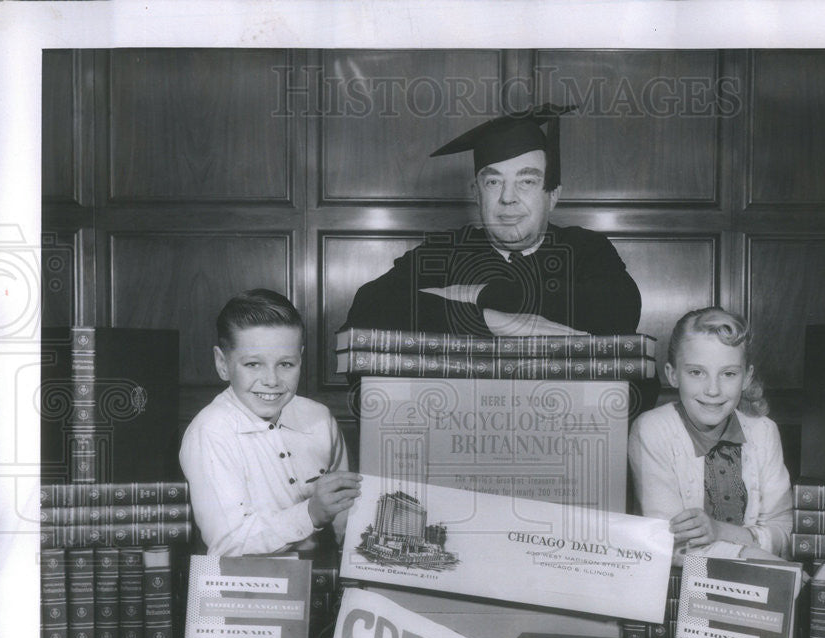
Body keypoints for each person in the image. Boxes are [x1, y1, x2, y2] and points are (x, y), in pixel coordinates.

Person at [343, 104, 642, 339]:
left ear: (552, 195)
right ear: (476, 192)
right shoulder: (447, 250)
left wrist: (477, 294)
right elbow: (369, 307)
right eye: (493, 183)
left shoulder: (585, 248)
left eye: (526, 181)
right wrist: (491, 320)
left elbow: (619, 308)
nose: (508, 198)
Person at [180, 289, 361, 556]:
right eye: (253, 364)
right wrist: (311, 513)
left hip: (324, 579)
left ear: (300, 358)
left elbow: (346, 515)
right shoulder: (210, 432)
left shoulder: (320, 418)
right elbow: (227, 542)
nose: (272, 380)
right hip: (250, 590)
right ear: (222, 363)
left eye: (286, 364)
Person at [628, 307, 792, 560]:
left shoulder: (764, 431)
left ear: (746, 377)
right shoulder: (652, 430)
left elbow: (783, 533)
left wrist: (719, 531)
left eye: (728, 374)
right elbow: (672, 545)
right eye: (696, 372)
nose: (713, 390)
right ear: (673, 375)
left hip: (757, 585)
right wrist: (757, 554)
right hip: (678, 590)